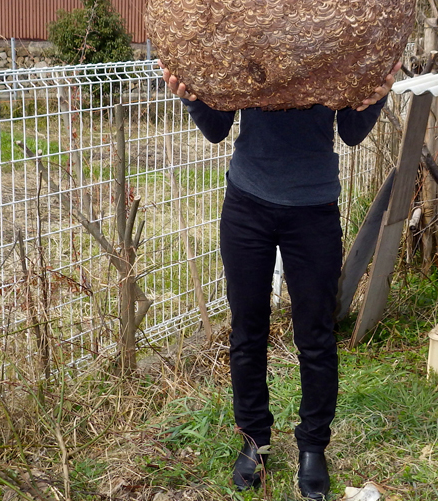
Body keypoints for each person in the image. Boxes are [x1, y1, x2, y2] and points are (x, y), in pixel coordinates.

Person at [161, 62, 400, 500]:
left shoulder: (332, 43)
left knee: (316, 335)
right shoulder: (251, 42)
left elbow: (351, 132)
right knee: (247, 331)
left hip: (314, 209)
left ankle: (313, 447)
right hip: (247, 205)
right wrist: (190, 96)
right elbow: (216, 128)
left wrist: (377, 91)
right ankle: (255, 441)